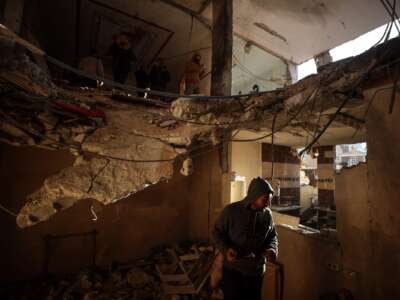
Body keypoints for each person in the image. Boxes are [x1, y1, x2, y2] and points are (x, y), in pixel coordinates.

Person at [212, 177, 278, 300]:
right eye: (265, 199)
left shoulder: (267, 215)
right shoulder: (231, 211)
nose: (268, 203)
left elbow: (272, 236)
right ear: (254, 196)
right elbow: (217, 233)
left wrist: (272, 249)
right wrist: (226, 250)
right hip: (233, 271)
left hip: (256, 272)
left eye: (269, 199)